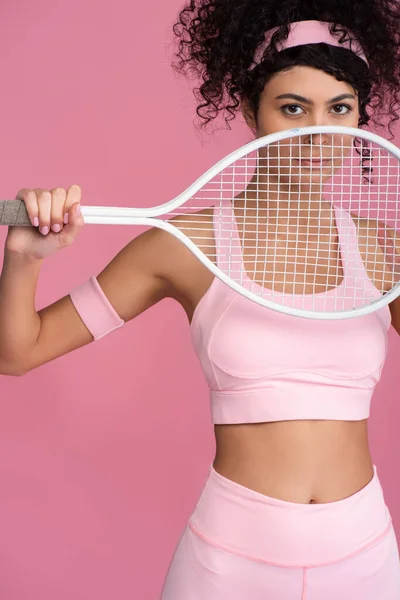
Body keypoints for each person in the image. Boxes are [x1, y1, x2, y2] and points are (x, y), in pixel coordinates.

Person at [1, 0, 400, 598]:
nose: (319, 134)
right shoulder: (182, 247)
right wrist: (23, 258)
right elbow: (18, 351)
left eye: (339, 109)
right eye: (293, 109)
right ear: (251, 111)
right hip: (231, 561)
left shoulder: (385, 250)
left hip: (364, 554)